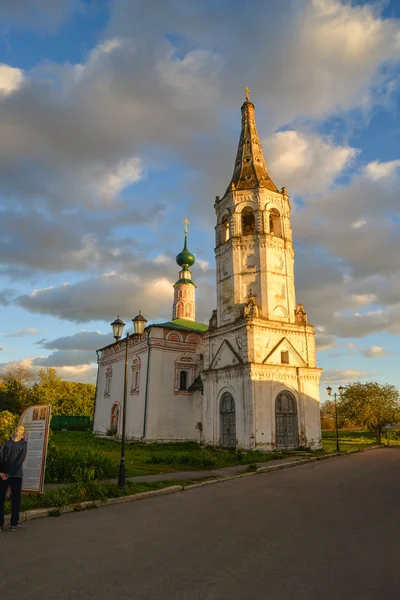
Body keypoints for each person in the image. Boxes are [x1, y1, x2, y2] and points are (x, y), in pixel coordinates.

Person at [0, 426, 28, 532]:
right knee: (15, 499)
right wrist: (8, 474)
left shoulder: (6, 443)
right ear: (21, 434)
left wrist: (2, 472)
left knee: (0, 498)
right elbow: (19, 461)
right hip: (16, 475)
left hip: (3, 476)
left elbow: (1, 458)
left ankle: (0, 524)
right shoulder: (23, 444)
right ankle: (14, 524)